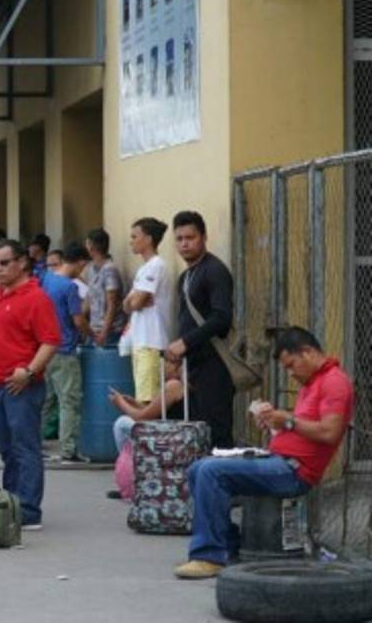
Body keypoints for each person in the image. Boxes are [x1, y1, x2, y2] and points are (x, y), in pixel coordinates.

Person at [173, 327, 352, 579]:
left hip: (294, 471)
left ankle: (208, 555)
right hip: (279, 461)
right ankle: (228, 545)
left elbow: (329, 432)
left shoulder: (334, 382)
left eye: (291, 365)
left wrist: (288, 421)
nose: (291, 374)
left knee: (211, 472)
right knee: (198, 468)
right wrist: (275, 424)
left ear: (308, 352)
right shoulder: (311, 383)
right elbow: (302, 430)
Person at [0, 240, 60, 530]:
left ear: (21, 263)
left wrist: (28, 371)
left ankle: (27, 510)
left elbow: (51, 341)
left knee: (24, 447)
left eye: (4, 263)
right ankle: (12, 501)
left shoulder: (36, 298)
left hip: (21, 386)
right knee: (6, 448)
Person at [165, 211, 236, 449]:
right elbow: (186, 320)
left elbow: (222, 318)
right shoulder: (186, 276)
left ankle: (224, 483)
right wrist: (178, 355)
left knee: (217, 433)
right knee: (195, 432)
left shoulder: (214, 270)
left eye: (190, 237)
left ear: (203, 237)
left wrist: (185, 343)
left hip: (215, 365)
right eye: (179, 238)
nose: (184, 243)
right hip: (193, 366)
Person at [40, 242, 88, 463]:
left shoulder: (47, 279)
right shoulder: (70, 287)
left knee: (46, 399)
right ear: (79, 262)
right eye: (83, 266)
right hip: (65, 349)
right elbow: (78, 321)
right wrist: (93, 334)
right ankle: (68, 449)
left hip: (45, 348)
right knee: (69, 401)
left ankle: (35, 442)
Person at [124, 218, 173, 404]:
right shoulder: (143, 269)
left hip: (151, 341)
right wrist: (135, 300)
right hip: (141, 341)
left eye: (135, 236)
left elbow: (135, 303)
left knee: (148, 400)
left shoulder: (156, 265)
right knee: (142, 396)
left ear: (149, 239)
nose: (131, 241)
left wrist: (136, 300)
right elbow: (127, 304)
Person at [84, 228, 127, 346]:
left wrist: (104, 332)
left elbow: (112, 303)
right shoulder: (91, 268)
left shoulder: (109, 269)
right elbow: (89, 298)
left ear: (90, 245)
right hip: (94, 329)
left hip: (110, 331)